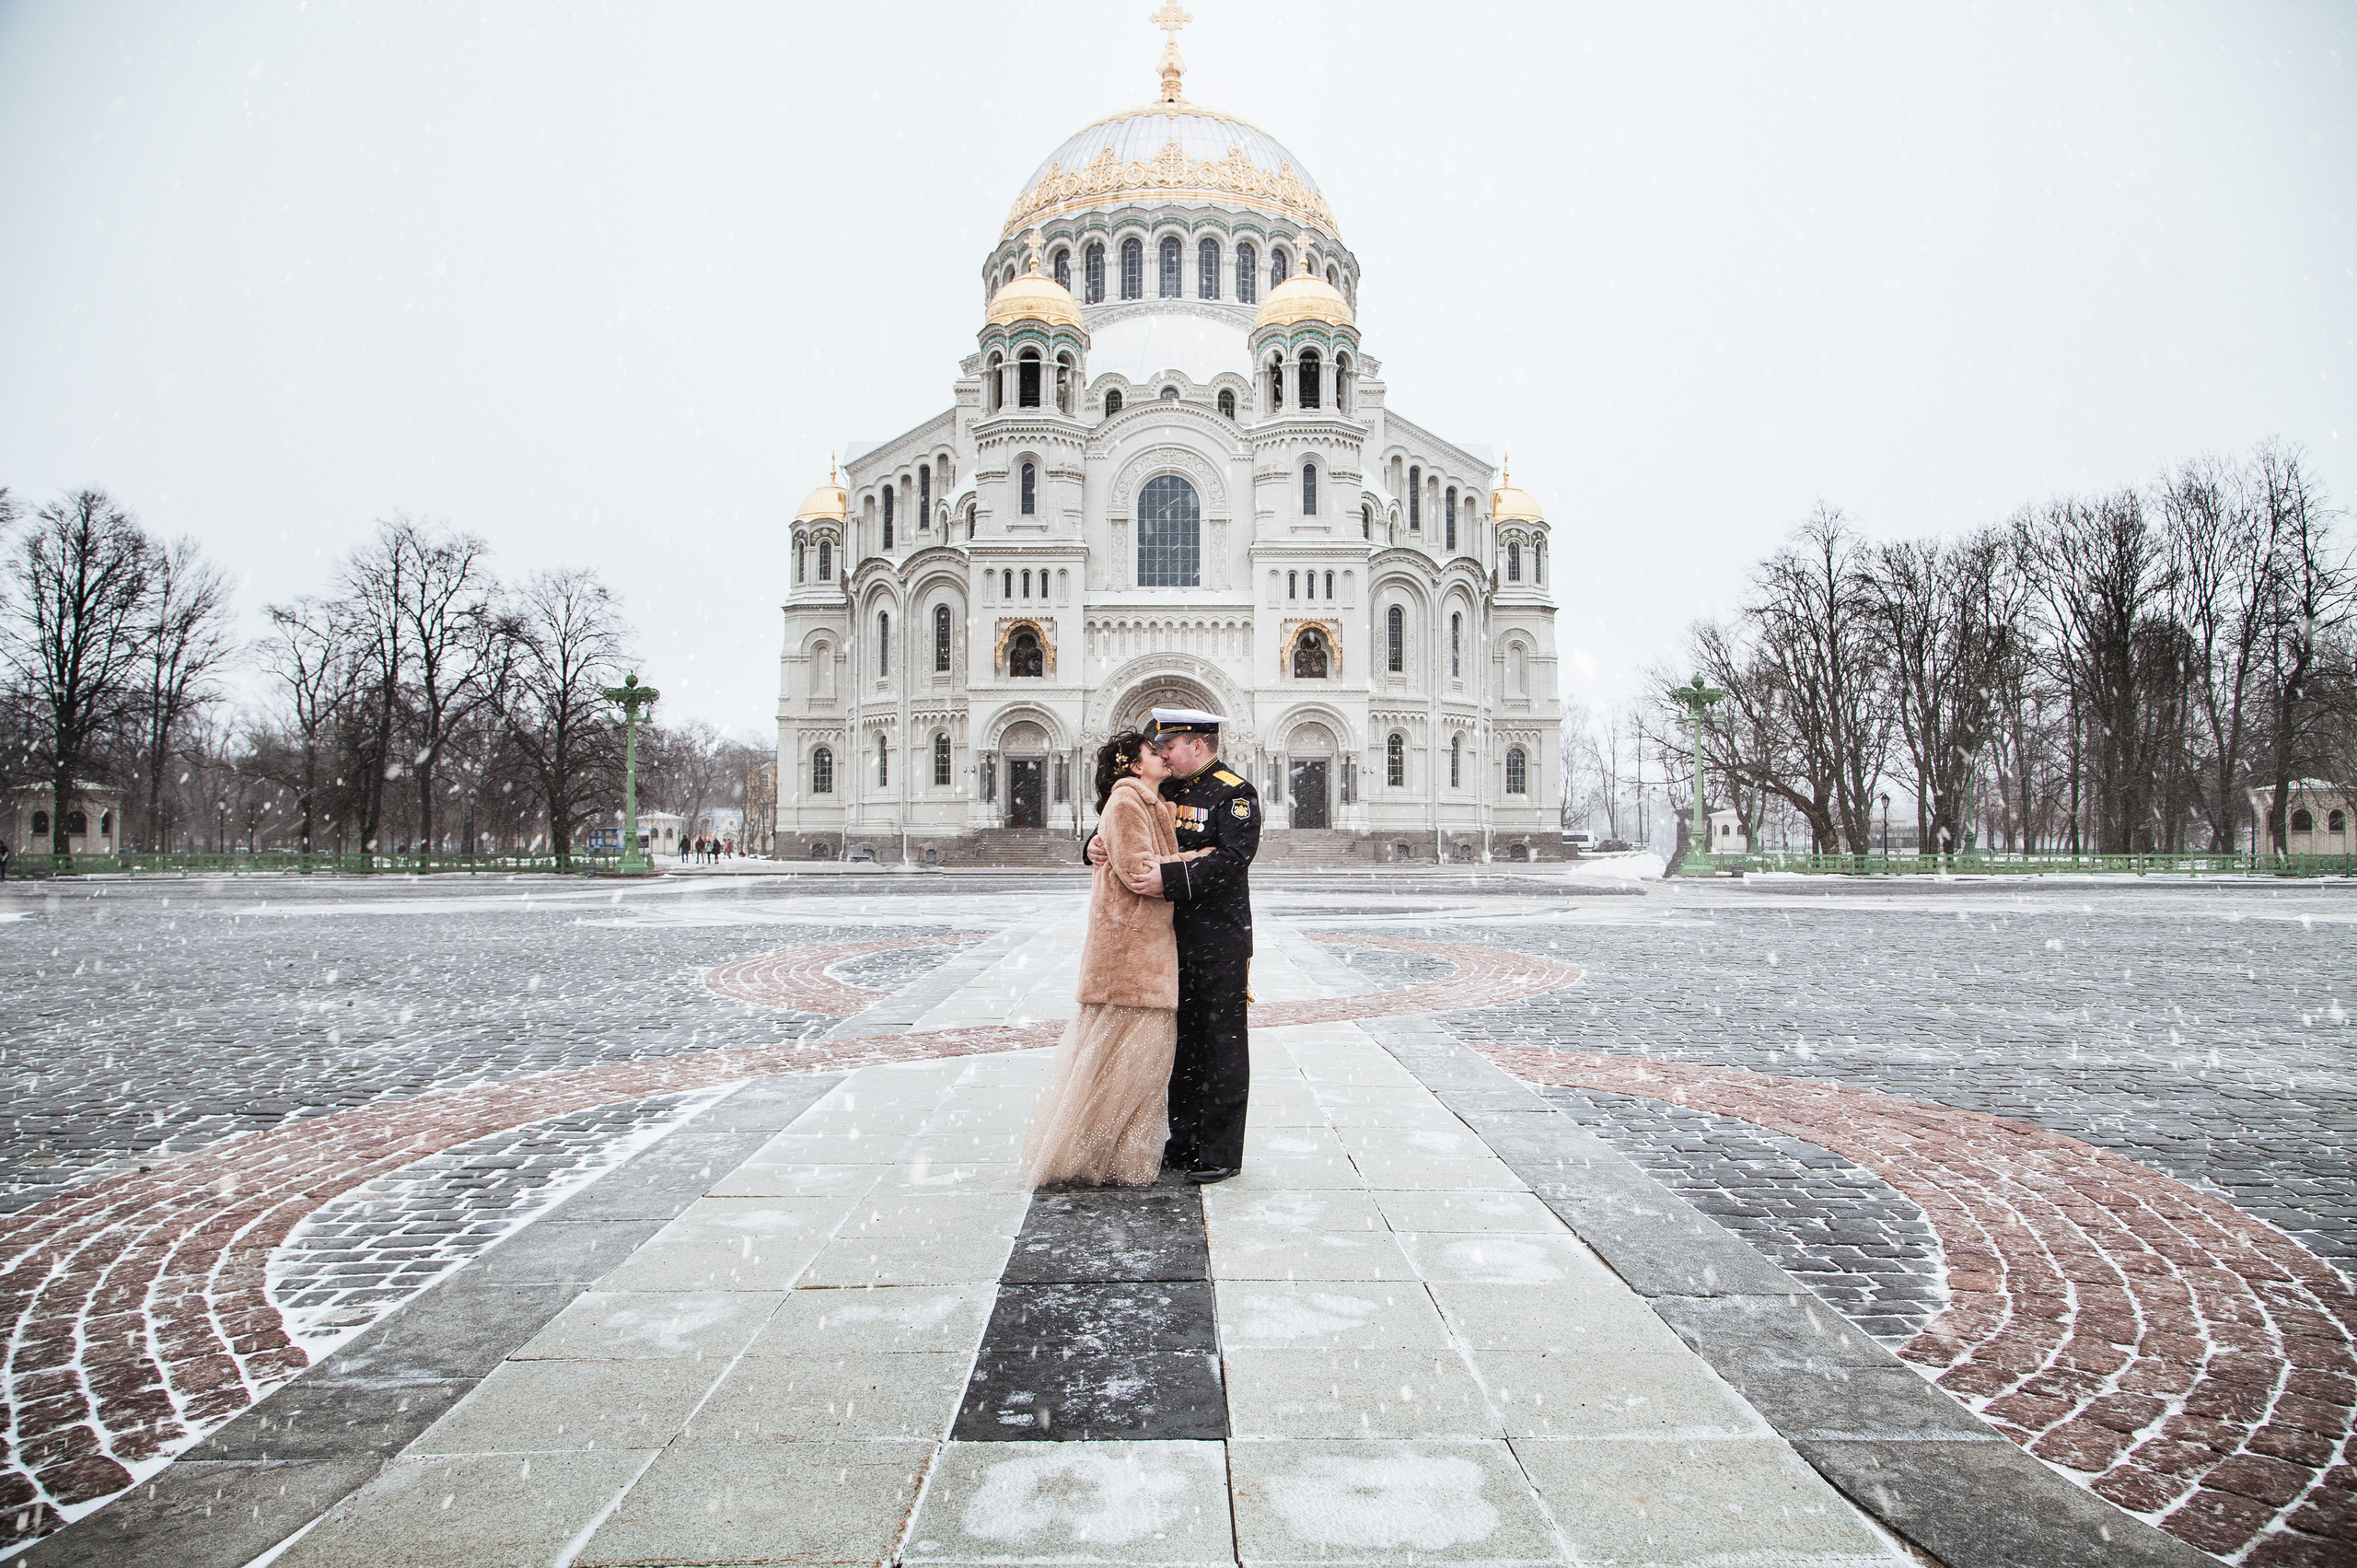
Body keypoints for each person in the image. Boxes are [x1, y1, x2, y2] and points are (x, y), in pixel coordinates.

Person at [1086, 706, 1261, 1183]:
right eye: (1158, 747)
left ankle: (1220, 1151)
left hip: (1218, 940)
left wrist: (1170, 875)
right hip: (1167, 942)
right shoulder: (1165, 788)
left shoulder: (1233, 793)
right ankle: (1182, 1143)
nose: (1161, 752)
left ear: (1197, 745)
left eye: (1170, 745)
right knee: (1181, 1049)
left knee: (1221, 1047)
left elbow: (1232, 860)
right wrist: (1093, 844)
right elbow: (1125, 820)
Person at [1020, 731, 1204, 1187]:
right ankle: (1088, 1153)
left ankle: (1117, 1154)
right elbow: (1140, 871)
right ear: (1134, 765)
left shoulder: (1149, 800)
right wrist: (1199, 859)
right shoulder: (1128, 802)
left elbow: (1143, 858)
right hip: (1130, 952)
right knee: (1121, 1061)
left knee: (1136, 1065)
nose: (1163, 755)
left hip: (1144, 950)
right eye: (1152, 752)